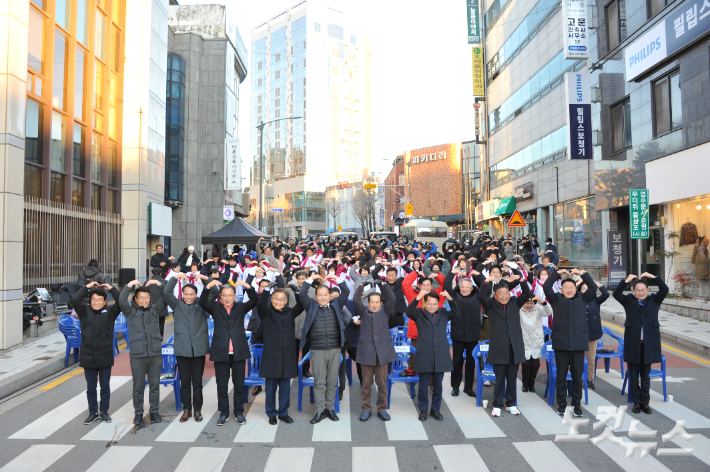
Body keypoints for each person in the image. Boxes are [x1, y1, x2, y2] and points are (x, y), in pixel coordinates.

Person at [199, 279, 257, 426]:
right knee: (222, 385)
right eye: (224, 295)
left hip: (238, 352)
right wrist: (208, 286)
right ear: (220, 296)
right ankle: (223, 412)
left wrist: (246, 286)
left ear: (234, 296)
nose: (227, 298)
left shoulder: (240, 307)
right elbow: (202, 302)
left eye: (230, 295)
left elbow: (255, 299)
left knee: (239, 385)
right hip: (221, 352)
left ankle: (238, 412)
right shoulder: (216, 307)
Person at [298, 274, 351, 424]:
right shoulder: (311, 305)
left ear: (330, 296)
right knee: (319, 382)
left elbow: (346, 291)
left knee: (333, 381)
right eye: (319, 295)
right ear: (315, 297)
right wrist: (311, 278)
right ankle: (319, 410)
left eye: (325, 295)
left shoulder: (336, 304)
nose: (322, 297)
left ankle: (331, 409)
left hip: (335, 349)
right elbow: (302, 293)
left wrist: (335, 277)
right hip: (318, 349)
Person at [543, 268, 597, 417]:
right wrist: (557, 273)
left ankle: (576, 405)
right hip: (561, 344)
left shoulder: (583, 299)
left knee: (577, 377)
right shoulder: (555, 299)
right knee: (561, 376)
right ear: (561, 289)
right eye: (566, 287)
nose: (568, 290)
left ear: (576, 289)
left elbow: (593, 287)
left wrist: (583, 274)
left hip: (578, 345)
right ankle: (561, 405)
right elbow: (546, 286)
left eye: (571, 288)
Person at [613, 273, 668, 414]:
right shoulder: (628, 300)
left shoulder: (655, 300)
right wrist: (626, 280)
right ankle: (636, 403)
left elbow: (664, 289)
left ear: (648, 290)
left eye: (643, 289)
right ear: (633, 291)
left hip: (648, 345)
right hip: (633, 344)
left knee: (645, 376)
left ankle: (645, 403)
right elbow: (616, 293)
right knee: (633, 376)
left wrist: (653, 276)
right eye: (638, 290)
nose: (641, 292)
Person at [70, 281, 121, 425]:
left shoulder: (110, 312)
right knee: (91, 387)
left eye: (100, 300)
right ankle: (93, 413)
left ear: (105, 301)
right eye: (94, 300)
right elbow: (74, 299)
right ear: (90, 301)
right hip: (88, 354)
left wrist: (111, 288)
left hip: (105, 354)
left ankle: (104, 412)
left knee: (105, 386)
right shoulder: (84, 311)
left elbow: (121, 301)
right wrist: (87, 287)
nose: (97, 302)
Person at [118, 279, 166, 425]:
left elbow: (166, 298)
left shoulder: (155, 311)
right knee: (138, 386)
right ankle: (138, 412)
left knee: (154, 385)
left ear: (150, 298)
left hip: (154, 354)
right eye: (141, 297)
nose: (144, 300)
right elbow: (121, 299)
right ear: (135, 299)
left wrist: (159, 285)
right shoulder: (130, 312)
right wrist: (129, 285)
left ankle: (154, 411)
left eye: (146, 297)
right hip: (137, 356)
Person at [479, 275, 528, 417]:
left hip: (514, 347)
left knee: (512, 378)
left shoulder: (515, 302)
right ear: (495, 295)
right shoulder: (491, 305)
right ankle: (497, 404)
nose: (504, 296)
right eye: (500, 293)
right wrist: (487, 281)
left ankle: (511, 404)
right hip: (498, 348)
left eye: (506, 293)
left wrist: (521, 280)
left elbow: (526, 294)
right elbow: (482, 296)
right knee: (499, 379)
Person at [405, 289, 458, 421]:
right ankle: (423, 410)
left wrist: (450, 299)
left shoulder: (443, 313)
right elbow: (408, 311)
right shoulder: (418, 313)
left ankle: (436, 409)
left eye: (435, 304)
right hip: (424, 354)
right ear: (425, 303)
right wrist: (419, 296)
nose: (432, 306)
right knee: (423, 385)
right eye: (429, 303)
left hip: (440, 354)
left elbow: (457, 312)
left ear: (439, 304)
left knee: (438, 385)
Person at [164, 274, 210, 423]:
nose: (189, 297)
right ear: (182, 294)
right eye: (186, 294)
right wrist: (175, 277)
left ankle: (197, 410)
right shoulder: (177, 305)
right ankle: (187, 409)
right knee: (185, 382)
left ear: (196, 294)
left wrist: (203, 277)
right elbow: (166, 292)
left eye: (192, 294)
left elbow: (214, 291)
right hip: (182, 349)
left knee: (197, 382)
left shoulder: (203, 305)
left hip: (198, 349)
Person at [256, 286, 303, 425]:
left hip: (287, 355)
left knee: (285, 388)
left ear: (286, 301)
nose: (278, 302)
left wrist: (298, 292)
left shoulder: (290, 312)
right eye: (276, 298)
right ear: (272, 299)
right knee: (270, 388)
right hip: (271, 356)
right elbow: (260, 304)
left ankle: (283, 412)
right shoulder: (266, 312)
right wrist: (266, 289)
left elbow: (302, 305)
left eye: (282, 299)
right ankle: (271, 413)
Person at [352, 281, 397, 421]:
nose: (375, 305)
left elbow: (392, 298)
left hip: (382, 353)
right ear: (368, 302)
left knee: (382, 384)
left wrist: (383, 285)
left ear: (381, 303)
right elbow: (355, 299)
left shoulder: (385, 311)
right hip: (366, 353)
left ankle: (382, 409)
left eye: (377, 302)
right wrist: (362, 285)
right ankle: (366, 409)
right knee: (366, 384)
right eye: (372, 302)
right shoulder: (363, 311)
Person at [446, 267, 485, 397]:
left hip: (473, 334)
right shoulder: (454, 295)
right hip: (457, 334)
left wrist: (477, 275)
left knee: (471, 362)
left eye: (467, 287)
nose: (465, 289)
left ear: (472, 288)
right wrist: (453, 273)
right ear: (459, 287)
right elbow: (446, 285)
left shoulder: (478, 296)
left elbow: (486, 286)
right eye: (462, 287)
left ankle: (468, 387)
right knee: (456, 361)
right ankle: (455, 386)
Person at [518, 295, 552, 393]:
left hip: (536, 341)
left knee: (535, 364)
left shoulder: (538, 309)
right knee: (526, 364)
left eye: (531, 303)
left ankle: (531, 383)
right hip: (524, 341)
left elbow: (549, 311)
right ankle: (525, 384)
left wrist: (542, 301)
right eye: (527, 303)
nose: (529, 305)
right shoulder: (519, 310)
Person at [581, 280, 609, 390]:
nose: (586, 291)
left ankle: (589, 379)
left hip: (593, 332)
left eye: (588, 288)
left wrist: (599, 285)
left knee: (591, 358)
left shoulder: (596, 300)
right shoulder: (578, 300)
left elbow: (606, 294)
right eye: (583, 289)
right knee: (579, 357)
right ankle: (579, 378)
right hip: (579, 333)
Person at [147, 267, 168, 337]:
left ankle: (151, 339)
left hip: (150, 307)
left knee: (151, 324)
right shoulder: (165, 282)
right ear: (160, 273)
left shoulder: (147, 282)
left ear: (152, 273)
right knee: (161, 324)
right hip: (162, 307)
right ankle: (160, 338)